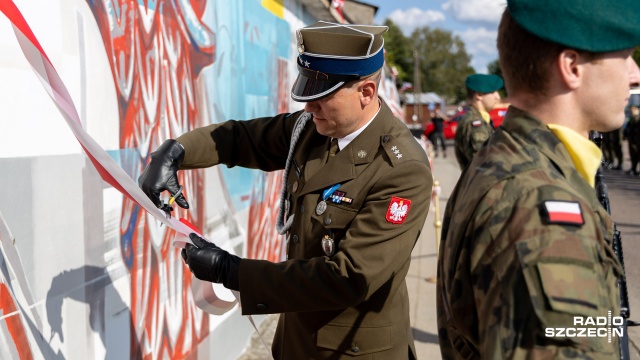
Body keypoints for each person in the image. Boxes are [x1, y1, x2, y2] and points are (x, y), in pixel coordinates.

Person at [139, 21, 432, 359]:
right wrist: (175, 152)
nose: (309, 107)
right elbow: (240, 139)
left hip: (352, 349)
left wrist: (231, 271)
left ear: (365, 93)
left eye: (322, 97)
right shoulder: (312, 129)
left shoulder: (402, 169)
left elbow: (349, 277)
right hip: (298, 339)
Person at [437, 0, 640, 358]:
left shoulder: (503, 157)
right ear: (572, 67)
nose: (635, 73)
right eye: (624, 57)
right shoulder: (540, 207)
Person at [453, 74, 503, 169]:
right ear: (479, 95)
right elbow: (485, 164)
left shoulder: (478, 119)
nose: (498, 97)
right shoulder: (475, 124)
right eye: (493, 92)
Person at [624, 105, 640, 175]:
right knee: (633, 155)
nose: (632, 110)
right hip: (632, 139)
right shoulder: (632, 118)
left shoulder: (637, 118)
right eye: (631, 109)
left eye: (633, 109)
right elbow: (629, 128)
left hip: (637, 140)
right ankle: (633, 168)